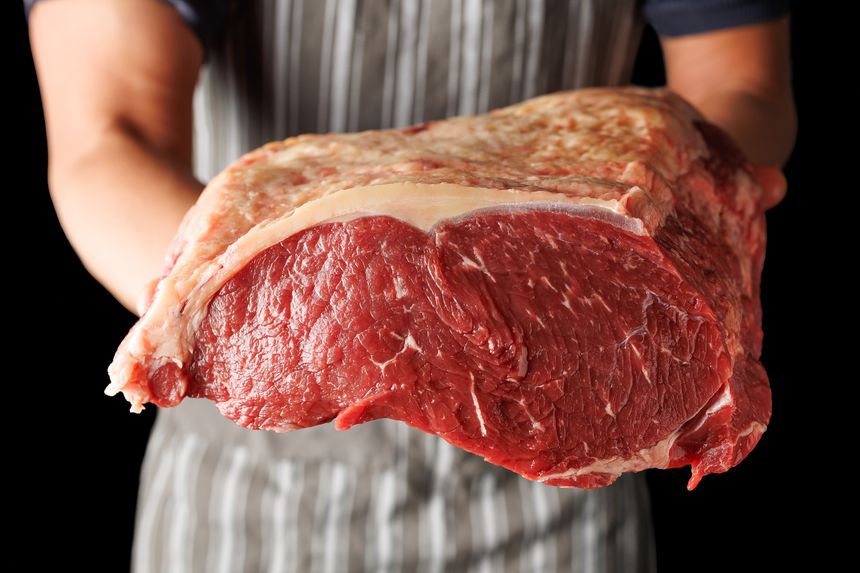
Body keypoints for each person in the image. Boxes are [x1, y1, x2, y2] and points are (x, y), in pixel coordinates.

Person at [27, 0, 795, 571]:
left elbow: (741, 84)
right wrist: (261, 319)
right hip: (253, 493)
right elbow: (108, 135)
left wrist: (699, 189)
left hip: (563, 477)